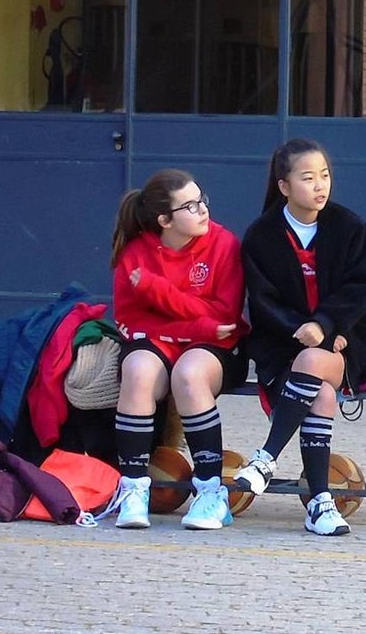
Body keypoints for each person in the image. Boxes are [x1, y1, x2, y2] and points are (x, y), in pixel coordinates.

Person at [234, 138, 366, 536]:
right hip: (281, 345)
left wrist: (329, 327)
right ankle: (319, 502)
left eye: (325, 176)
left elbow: (361, 288)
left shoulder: (351, 228)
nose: (320, 186)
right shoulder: (262, 235)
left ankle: (266, 457)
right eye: (308, 178)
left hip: (343, 343)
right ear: (284, 186)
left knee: (316, 363)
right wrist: (300, 330)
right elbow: (261, 301)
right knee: (322, 394)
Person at [108, 169, 249, 530]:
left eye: (202, 200)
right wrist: (191, 322)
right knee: (138, 370)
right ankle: (134, 489)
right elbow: (130, 320)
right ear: (164, 220)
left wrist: (157, 292)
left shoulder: (224, 244)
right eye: (190, 205)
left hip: (213, 346)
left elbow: (223, 318)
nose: (203, 210)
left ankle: (210, 492)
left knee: (189, 373)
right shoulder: (136, 254)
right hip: (158, 341)